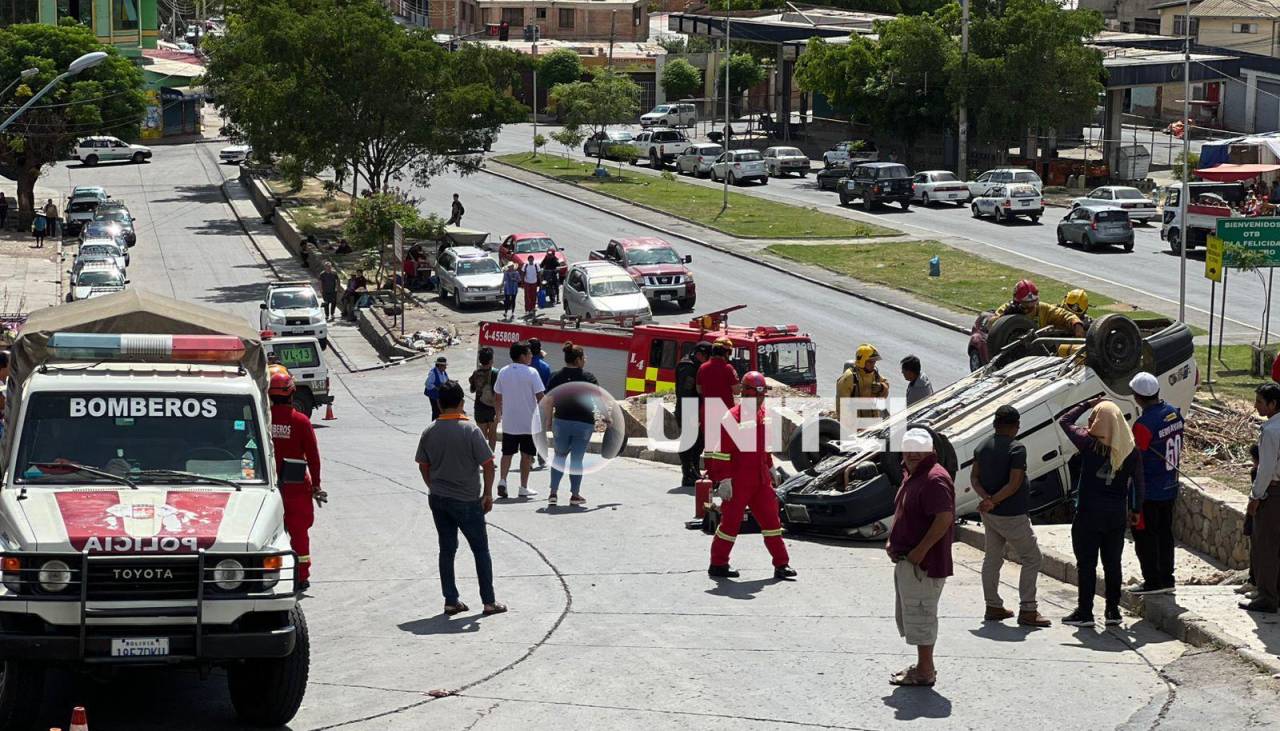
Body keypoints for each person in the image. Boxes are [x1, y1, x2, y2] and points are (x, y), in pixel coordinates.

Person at [415, 380, 507, 617]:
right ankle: (488, 601)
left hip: (438, 498)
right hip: (467, 500)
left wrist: (433, 486)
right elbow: (488, 464)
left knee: (447, 550)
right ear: (461, 402)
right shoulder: (471, 431)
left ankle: (451, 600)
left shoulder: (430, 431)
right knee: (480, 550)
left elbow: (423, 465)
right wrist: (488, 493)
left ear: (438, 403)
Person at [1059, 397, 1144, 627]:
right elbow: (1138, 482)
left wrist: (1086, 403)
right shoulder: (1130, 450)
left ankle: (1085, 612)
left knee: (1086, 564)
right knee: (1112, 563)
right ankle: (1112, 611)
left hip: (1088, 514)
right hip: (1116, 515)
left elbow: (1064, 421)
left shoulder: (1088, 443)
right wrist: (1136, 509)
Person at [707, 371, 796, 580]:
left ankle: (782, 564)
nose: (761, 399)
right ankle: (718, 563)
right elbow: (721, 451)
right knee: (730, 523)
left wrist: (771, 466)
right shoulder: (732, 417)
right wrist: (724, 479)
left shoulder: (763, 414)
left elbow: (764, 447)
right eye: (758, 395)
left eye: (762, 395)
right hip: (738, 481)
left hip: (760, 479)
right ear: (747, 394)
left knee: (772, 521)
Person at [886, 428, 954, 687]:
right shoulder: (913, 474)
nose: (913, 454)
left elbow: (944, 518)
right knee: (913, 616)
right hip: (909, 562)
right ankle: (923, 666)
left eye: (919, 449)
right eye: (909, 448)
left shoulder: (934, 479)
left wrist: (920, 551)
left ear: (931, 451)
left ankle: (925, 671)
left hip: (922, 565)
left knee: (922, 616)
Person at [973, 406, 1051, 627]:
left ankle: (993, 606)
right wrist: (994, 500)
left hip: (990, 515)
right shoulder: (1017, 449)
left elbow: (974, 478)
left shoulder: (982, 446)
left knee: (992, 559)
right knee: (1032, 558)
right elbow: (1014, 482)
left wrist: (986, 499)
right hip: (1012, 515)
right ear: (1015, 426)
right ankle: (1028, 610)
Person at [1128, 371, 1185, 595]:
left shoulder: (1143, 425)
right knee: (1164, 533)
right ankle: (1167, 577)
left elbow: (1136, 460)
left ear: (1137, 397)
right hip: (1169, 485)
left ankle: (1152, 580)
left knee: (1144, 536)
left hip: (1148, 491)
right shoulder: (1174, 414)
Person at [268, 371, 325, 592]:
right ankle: (301, 576)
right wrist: (317, 485)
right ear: (292, 392)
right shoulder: (301, 421)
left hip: (269, 484)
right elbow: (313, 456)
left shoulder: (263, 419)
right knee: (300, 533)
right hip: (296, 485)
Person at [544, 342, 600, 505]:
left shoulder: (556, 376)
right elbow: (597, 402)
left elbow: (549, 401)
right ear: (578, 360)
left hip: (561, 422)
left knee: (559, 457)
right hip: (583, 424)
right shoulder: (588, 378)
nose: (585, 360)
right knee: (576, 460)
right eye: (584, 357)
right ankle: (575, 495)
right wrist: (607, 418)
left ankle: (553, 494)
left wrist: (549, 421)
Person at [1246, 383, 1280, 613]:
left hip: (1273, 492)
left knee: (1266, 545)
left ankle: (1267, 596)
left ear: (1272, 404)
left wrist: (1256, 496)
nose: (1256, 406)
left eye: (1259, 401)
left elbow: (1265, 469)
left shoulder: (1270, 431)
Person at [494, 340, 544, 499]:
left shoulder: (503, 371)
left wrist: (498, 414)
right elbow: (540, 396)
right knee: (527, 455)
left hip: (509, 421)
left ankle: (502, 480)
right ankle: (523, 486)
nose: (531, 356)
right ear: (522, 356)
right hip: (528, 422)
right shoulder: (532, 372)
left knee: (507, 453)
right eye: (529, 354)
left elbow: (497, 396)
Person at [676, 341, 712, 487]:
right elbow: (686, 392)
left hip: (693, 407)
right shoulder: (688, 366)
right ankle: (688, 474)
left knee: (697, 443)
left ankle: (694, 471)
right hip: (687, 408)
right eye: (707, 357)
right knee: (689, 443)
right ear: (700, 354)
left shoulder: (695, 364)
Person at [993, 279, 1085, 337]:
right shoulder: (1006, 309)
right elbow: (991, 326)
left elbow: (1063, 314)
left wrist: (1076, 323)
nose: (1030, 307)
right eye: (1026, 304)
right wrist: (1004, 318)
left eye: (1033, 303)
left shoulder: (1043, 308)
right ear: (1017, 301)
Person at [835, 344, 889, 420]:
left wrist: (882, 387)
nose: (873, 365)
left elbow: (885, 385)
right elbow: (842, 407)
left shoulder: (874, 374)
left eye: (874, 362)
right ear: (862, 361)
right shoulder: (848, 378)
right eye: (870, 362)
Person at [469, 347, 499, 452]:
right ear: (491, 360)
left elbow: (472, 389)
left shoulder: (476, 372)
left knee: (481, 436)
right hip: (492, 408)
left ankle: (482, 459)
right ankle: (490, 458)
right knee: (492, 435)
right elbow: (498, 393)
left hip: (479, 407)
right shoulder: (495, 373)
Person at [424, 356, 449, 421]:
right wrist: (436, 387)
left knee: (441, 410)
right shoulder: (433, 373)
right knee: (436, 411)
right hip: (434, 395)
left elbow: (446, 380)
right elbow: (427, 384)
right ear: (440, 366)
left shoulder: (443, 372)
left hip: (440, 394)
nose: (446, 367)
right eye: (444, 366)